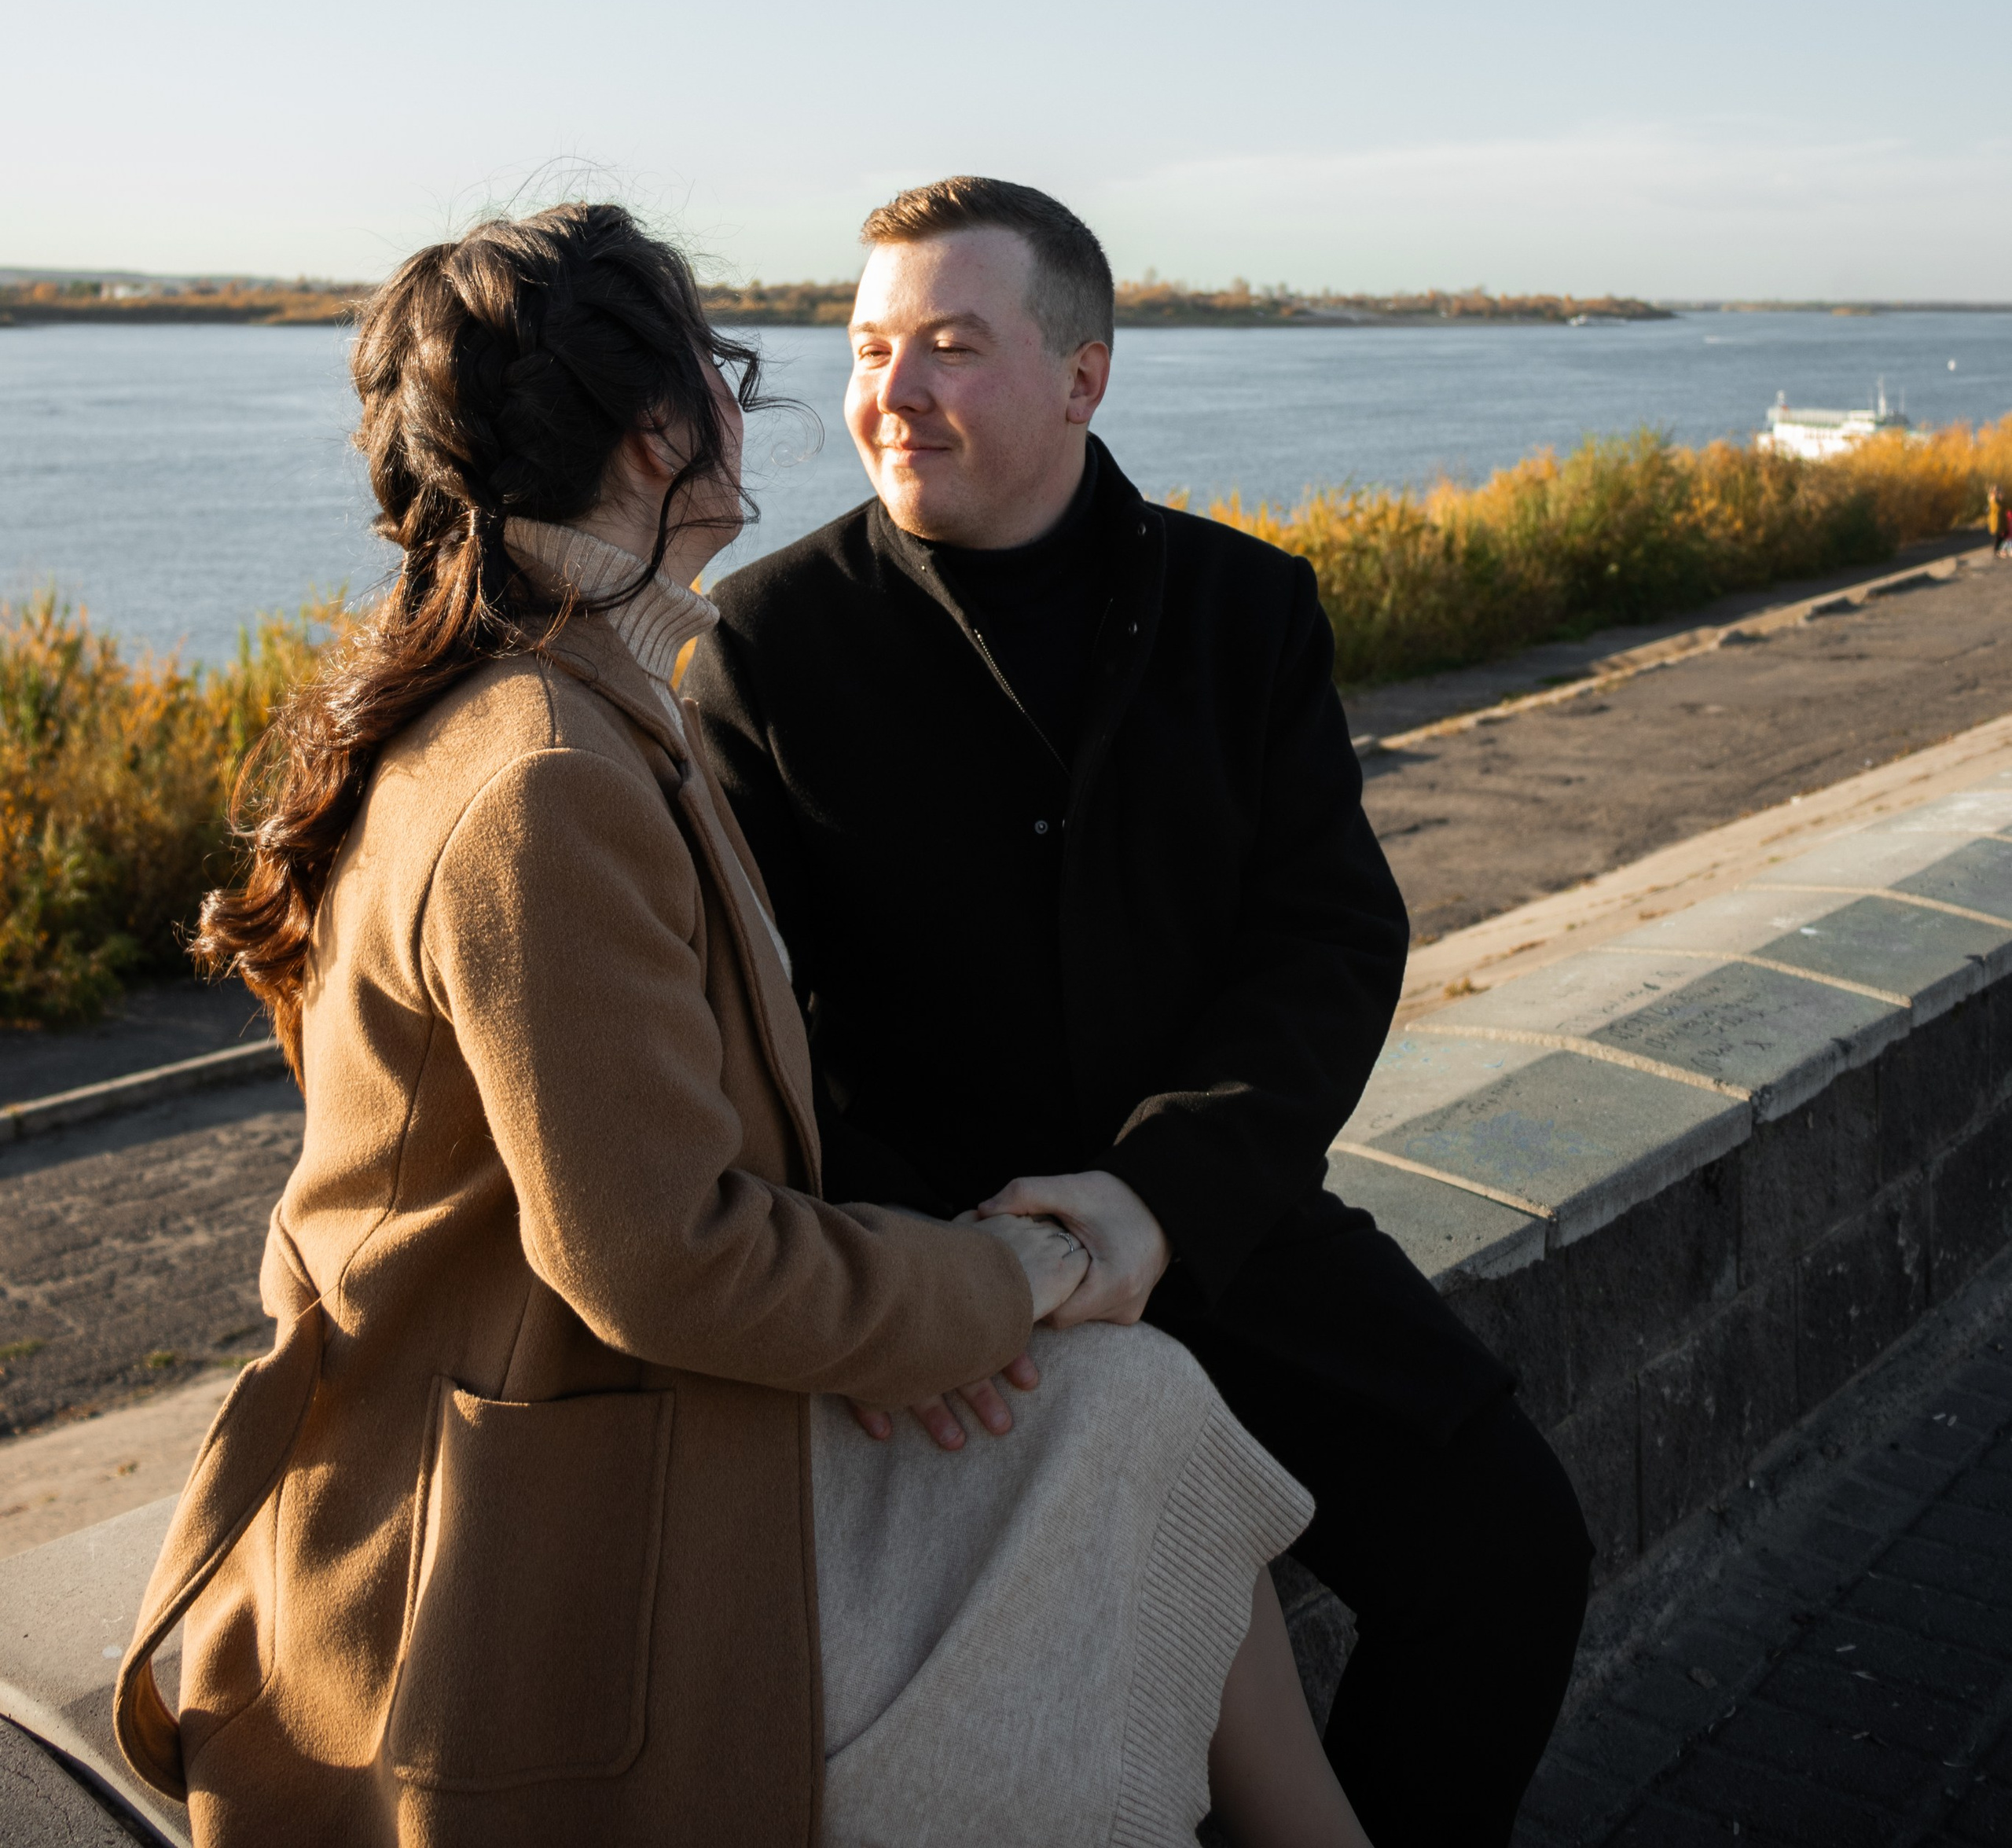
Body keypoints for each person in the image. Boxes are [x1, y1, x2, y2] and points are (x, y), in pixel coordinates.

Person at [115, 203, 1371, 1848]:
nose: (789, 397)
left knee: (1154, 1425)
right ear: (657, 433)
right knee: (1135, 1417)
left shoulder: (583, 697)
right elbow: (661, 1258)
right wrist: (1006, 1280)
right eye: (731, 363)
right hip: (522, 1562)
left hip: (615, 1431)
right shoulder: (545, 773)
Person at [685, 176, 1595, 1848]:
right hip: (946, 1277)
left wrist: (1160, 1200)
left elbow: (1326, 943)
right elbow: (752, 1024)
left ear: (1083, 376)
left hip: (1218, 1229)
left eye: (951, 346)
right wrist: (938, 1261)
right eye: (871, 348)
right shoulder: (762, 644)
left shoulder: (1246, 611)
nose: (894, 393)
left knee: (1506, 1552)